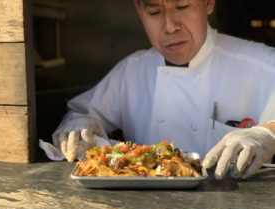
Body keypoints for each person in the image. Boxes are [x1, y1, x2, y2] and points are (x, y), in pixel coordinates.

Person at [40, 0, 275, 179]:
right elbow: (84, 113)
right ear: (139, 11)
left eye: (182, 6)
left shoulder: (262, 63)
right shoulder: (132, 70)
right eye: (154, 12)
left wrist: (267, 134)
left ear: (209, 3)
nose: (170, 26)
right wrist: (78, 122)